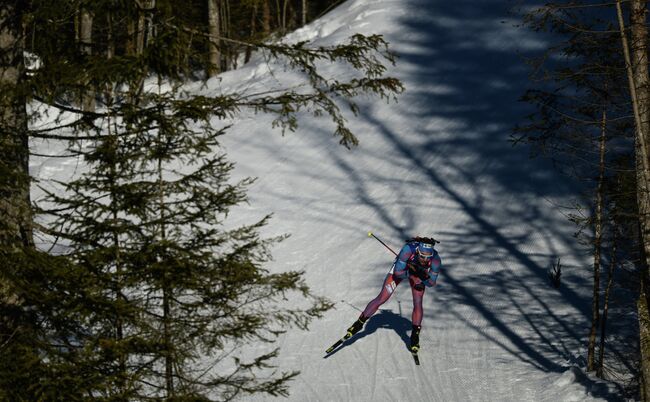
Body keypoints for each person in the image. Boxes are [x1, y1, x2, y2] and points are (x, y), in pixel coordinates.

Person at [346, 236, 441, 353]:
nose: (425, 260)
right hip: (403, 269)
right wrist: (412, 272)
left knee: (418, 301)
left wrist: (424, 277)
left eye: (428, 257)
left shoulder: (436, 259)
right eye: (422, 256)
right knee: (383, 297)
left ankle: (415, 335)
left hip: (418, 274)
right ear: (417, 251)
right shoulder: (408, 250)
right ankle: (359, 323)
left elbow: (431, 283)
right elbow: (398, 273)